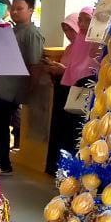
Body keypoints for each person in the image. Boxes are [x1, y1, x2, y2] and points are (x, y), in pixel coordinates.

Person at [0, 0, 45, 173]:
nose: (15, 12)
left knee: (0, 125)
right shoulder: (10, 29)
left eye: (20, 9)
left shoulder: (32, 33)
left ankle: (3, 163)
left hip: (13, 88)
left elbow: (35, 65)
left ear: (31, 11)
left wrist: (30, 89)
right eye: (13, 9)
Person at [43, 9, 99, 175]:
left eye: (87, 20)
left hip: (86, 97)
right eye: (80, 20)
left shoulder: (97, 47)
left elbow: (90, 70)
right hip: (68, 96)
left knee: (79, 135)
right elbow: (73, 71)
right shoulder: (78, 46)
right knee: (67, 134)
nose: (82, 25)